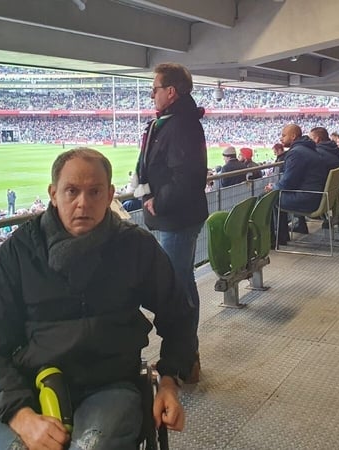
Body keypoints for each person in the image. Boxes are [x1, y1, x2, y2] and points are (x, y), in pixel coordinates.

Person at [0, 148, 196, 450]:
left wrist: (168, 381)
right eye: (72, 191)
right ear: (53, 194)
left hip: (110, 384)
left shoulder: (136, 246)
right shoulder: (17, 252)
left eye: (95, 192)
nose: (83, 203)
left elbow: (179, 316)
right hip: (26, 388)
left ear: (110, 194)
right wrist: (21, 417)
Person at [133, 63, 207, 383]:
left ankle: (183, 361)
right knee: (183, 284)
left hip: (176, 218)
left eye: (155, 89)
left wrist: (157, 202)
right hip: (175, 217)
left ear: (171, 92)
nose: (152, 95)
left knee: (177, 290)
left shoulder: (180, 126)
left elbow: (186, 176)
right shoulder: (174, 122)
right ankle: (188, 357)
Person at [264, 124, 329, 243]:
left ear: (293, 136)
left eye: (284, 135)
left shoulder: (296, 153)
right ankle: (281, 236)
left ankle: (275, 240)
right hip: (316, 196)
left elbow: (287, 183)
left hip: (308, 199)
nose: (281, 138)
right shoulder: (310, 149)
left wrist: (273, 186)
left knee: (268, 197)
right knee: (274, 194)